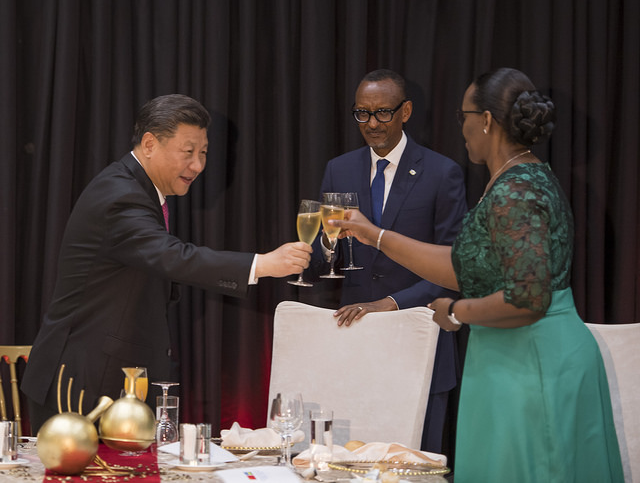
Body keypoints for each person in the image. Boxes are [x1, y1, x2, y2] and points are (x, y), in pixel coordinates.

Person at [329, 68, 623, 482]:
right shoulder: (515, 178)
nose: (461, 126)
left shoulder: (516, 191)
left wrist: (457, 309)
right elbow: (461, 264)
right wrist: (372, 234)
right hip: (512, 358)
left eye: (463, 115)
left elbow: (527, 299)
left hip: (535, 362)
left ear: (485, 120)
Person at [22, 94, 311, 433]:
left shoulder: (137, 188)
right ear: (149, 144)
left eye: (203, 153)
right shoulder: (121, 195)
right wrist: (262, 264)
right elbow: (172, 256)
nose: (198, 165)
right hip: (83, 381)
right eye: (188, 152)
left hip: (107, 375)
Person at [309, 69, 468, 452]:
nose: (372, 123)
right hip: (357, 343)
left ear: (406, 111)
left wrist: (390, 304)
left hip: (421, 337)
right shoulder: (339, 168)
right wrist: (323, 247)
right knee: (353, 460)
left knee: (416, 463)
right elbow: (322, 255)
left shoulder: (442, 172)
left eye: (382, 113)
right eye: (362, 113)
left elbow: (455, 268)